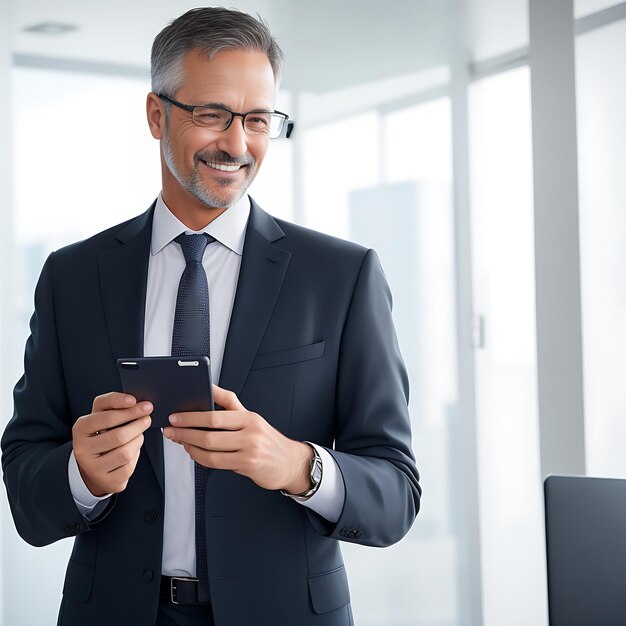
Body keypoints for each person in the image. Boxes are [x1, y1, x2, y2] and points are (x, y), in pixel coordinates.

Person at [1, 7, 420, 626]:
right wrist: (80, 474)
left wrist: (297, 465)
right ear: (155, 115)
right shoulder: (73, 277)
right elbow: (26, 484)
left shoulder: (340, 276)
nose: (237, 143)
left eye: (257, 120)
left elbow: (396, 495)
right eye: (212, 114)